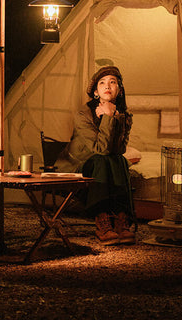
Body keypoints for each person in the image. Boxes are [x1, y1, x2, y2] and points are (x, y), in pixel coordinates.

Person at [55, 66, 135, 245]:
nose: (108, 86)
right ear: (96, 92)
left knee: (119, 159)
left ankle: (120, 219)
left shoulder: (123, 115)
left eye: (112, 82)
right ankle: (102, 220)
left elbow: (119, 149)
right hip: (78, 167)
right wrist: (107, 118)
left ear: (119, 90)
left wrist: (114, 117)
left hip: (101, 166)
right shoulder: (83, 115)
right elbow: (102, 149)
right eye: (102, 83)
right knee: (102, 160)